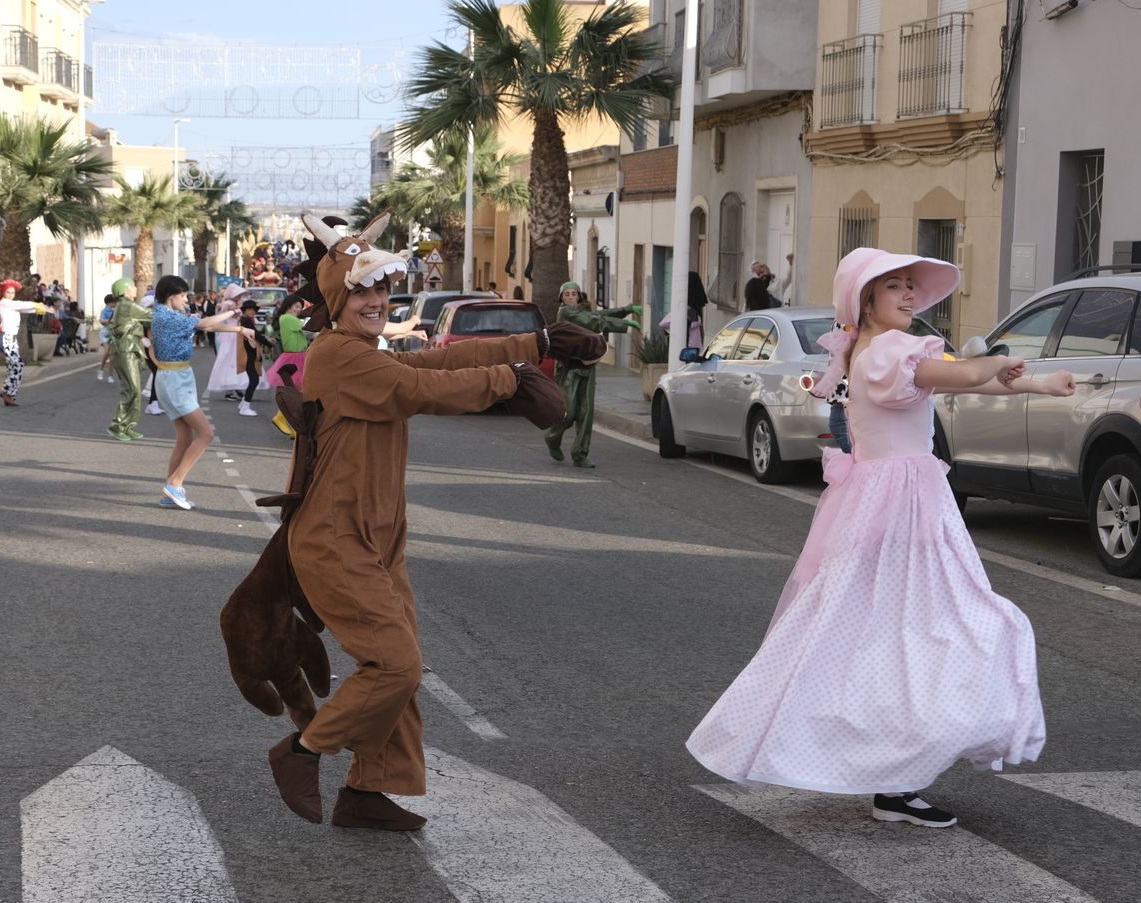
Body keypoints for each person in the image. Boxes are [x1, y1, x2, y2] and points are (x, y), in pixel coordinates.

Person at [224, 213, 602, 832]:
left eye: (381, 290)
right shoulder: (340, 357)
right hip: (335, 540)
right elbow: (419, 389)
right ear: (337, 298)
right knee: (394, 664)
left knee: (399, 669)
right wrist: (513, 381)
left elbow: (433, 364)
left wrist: (537, 344)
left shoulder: (367, 352)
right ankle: (301, 752)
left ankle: (367, 792)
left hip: (377, 540)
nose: (376, 301)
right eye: (362, 291)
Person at [686, 247, 1076, 829]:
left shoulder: (866, 349)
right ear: (866, 300)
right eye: (895, 286)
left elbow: (958, 383)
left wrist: (1036, 386)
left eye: (911, 286)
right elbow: (963, 375)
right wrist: (995, 364)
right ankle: (894, 772)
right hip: (902, 505)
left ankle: (890, 776)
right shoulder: (893, 349)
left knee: (878, 631)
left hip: (880, 501)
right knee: (946, 626)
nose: (911, 295)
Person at [150, 274, 253, 509]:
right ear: (170, 296)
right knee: (206, 434)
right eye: (183, 295)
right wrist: (233, 313)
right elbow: (206, 324)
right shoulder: (166, 316)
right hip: (175, 379)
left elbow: (207, 324)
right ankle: (175, 484)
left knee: (185, 438)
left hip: (174, 377)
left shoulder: (169, 315)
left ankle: (169, 491)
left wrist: (238, 330)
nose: (186, 299)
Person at [543, 281, 637, 469]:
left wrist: (626, 309)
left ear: (578, 296)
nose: (570, 297)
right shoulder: (565, 312)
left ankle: (580, 454)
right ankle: (552, 438)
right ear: (561, 298)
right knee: (569, 413)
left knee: (586, 413)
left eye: (573, 294)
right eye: (566, 294)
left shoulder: (580, 311)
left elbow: (597, 315)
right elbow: (593, 321)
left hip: (586, 365)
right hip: (568, 367)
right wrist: (624, 324)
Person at [105, 278, 154, 441]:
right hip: (126, 350)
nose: (135, 288)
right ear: (124, 291)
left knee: (130, 389)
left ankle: (127, 426)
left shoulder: (123, 306)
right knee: (132, 389)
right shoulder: (128, 305)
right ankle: (119, 426)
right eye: (132, 286)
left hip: (126, 350)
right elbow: (151, 315)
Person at [0, 279, 47, 406]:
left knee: (15, 365)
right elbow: (23, 305)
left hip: (12, 339)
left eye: (12, 292)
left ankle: (8, 393)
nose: (10, 295)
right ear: (3, 293)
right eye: (8, 292)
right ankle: (7, 392)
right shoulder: (5, 303)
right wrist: (38, 306)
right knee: (17, 365)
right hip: (6, 338)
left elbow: (25, 309)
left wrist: (40, 309)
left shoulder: (11, 305)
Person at [206, 285, 252, 402]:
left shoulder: (233, 304)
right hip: (231, 333)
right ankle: (231, 389)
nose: (240, 297)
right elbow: (230, 313)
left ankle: (236, 387)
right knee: (230, 359)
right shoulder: (228, 304)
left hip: (236, 333)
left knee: (235, 359)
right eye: (238, 295)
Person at [262, 294, 312, 390]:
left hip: (294, 355)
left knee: (291, 387)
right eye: (296, 307)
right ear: (288, 305)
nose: (298, 310)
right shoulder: (289, 318)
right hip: (296, 356)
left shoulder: (284, 318)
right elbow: (309, 329)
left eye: (300, 308)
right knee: (298, 387)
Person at [236, 298, 275, 416]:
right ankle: (245, 407)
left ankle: (243, 404)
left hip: (250, 353)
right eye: (249, 309)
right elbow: (254, 334)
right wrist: (267, 342)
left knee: (254, 379)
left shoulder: (247, 320)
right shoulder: (245, 321)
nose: (252, 311)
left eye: (254, 309)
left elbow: (256, 334)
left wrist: (266, 340)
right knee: (254, 380)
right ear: (245, 310)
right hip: (248, 355)